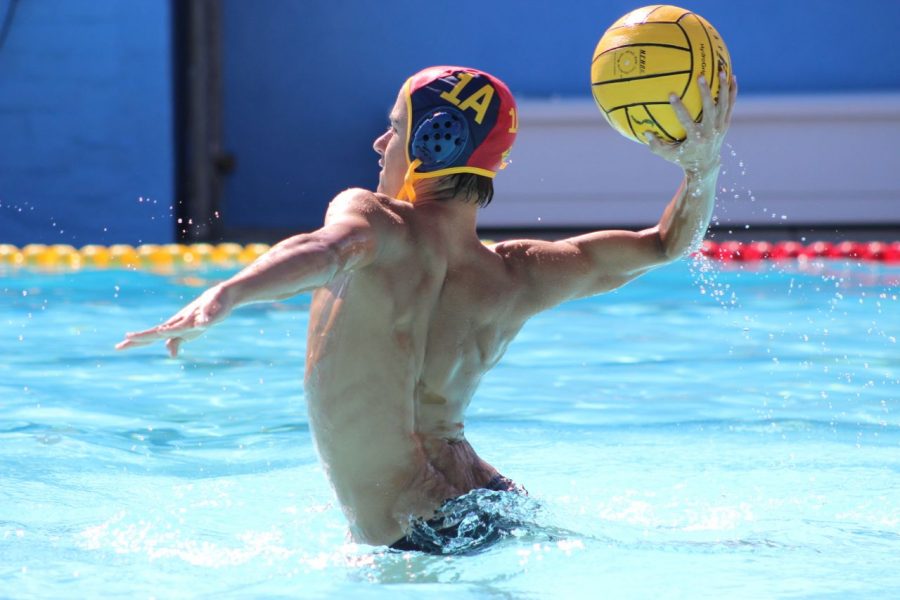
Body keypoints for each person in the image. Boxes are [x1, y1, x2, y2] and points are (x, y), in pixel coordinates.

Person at [117, 65, 737, 553]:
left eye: (395, 125)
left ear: (430, 139)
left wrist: (231, 291)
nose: (381, 140)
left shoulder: (376, 221)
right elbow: (664, 244)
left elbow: (324, 249)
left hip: (406, 530)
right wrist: (700, 168)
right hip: (487, 498)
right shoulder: (516, 274)